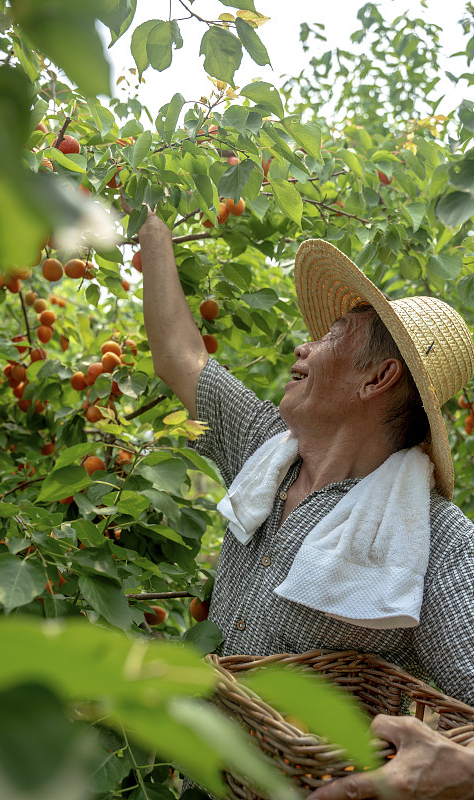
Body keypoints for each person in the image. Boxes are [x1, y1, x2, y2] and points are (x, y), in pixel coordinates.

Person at [136, 207, 474, 800]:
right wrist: (155, 233)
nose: (303, 345)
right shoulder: (267, 450)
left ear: (377, 379)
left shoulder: (434, 540)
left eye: (331, 337)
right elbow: (179, 356)